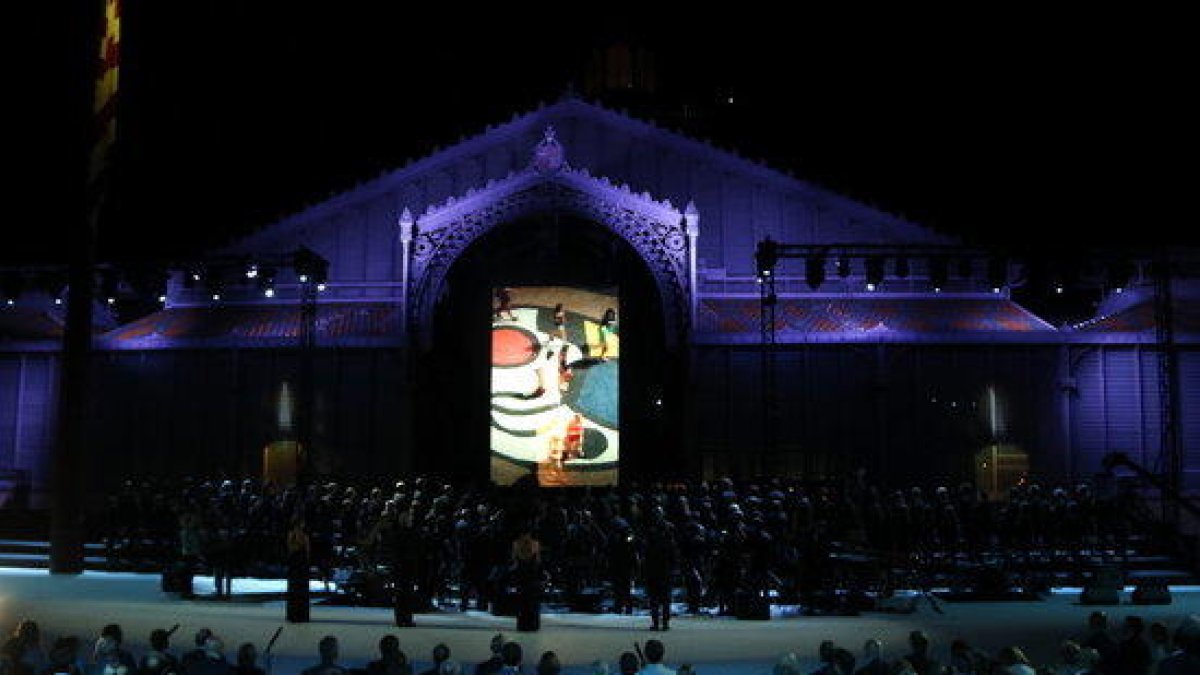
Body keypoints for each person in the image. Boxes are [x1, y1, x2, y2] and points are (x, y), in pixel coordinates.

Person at [512, 528, 542, 632]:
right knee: (531, 601)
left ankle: (523, 624)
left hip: (522, 576)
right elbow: (538, 561)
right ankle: (532, 624)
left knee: (522, 601)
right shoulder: (535, 544)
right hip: (531, 577)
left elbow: (515, 560)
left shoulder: (516, 544)